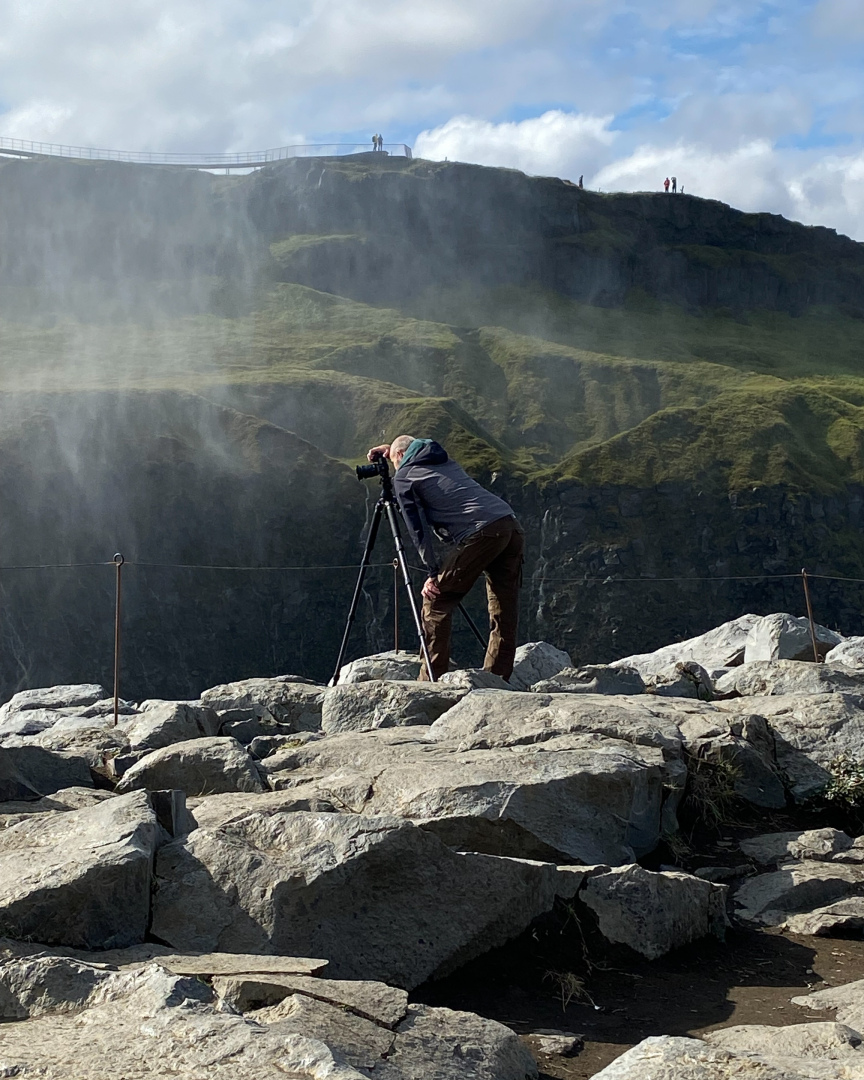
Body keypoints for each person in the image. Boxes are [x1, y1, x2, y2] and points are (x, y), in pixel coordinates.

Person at [365, 435, 525, 681]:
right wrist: (394, 449)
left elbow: (417, 530)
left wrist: (432, 573)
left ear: (400, 456)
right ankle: (497, 679)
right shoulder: (441, 458)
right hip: (510, 525)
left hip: (482, 532)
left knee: (436, 599)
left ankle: (430, 682)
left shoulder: (404, 476)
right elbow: (413, 447)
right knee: (503, 608)